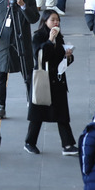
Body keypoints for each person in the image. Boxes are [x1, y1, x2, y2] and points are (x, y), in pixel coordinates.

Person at [24, 10, 78, 156]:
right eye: (53, 20)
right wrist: (50, 41)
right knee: (38, 114)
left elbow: (61, 59)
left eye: (58, 20)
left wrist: (68, 56)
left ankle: (68, 145)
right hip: (43, 80)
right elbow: (41, 57)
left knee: (62, 114)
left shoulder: (59, 36)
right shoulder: (38, 36)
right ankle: (30, 142)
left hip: (58, 80)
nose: (56, 22)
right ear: (45, 21)